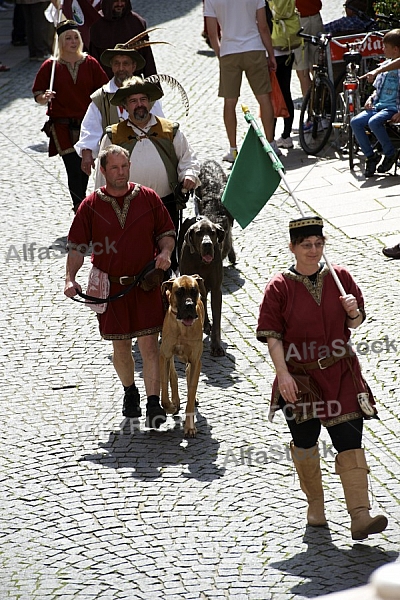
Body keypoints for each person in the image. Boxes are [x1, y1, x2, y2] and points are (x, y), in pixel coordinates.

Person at [256, 215, 388, 541]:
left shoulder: (340, 277)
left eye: (318, 244)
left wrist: (353, 310)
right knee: (305, 444)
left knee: (349, 441)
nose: (313, 251)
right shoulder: (279, 287)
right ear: (292, 247)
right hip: (299, 379)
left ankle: (360, 515)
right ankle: (315, 505)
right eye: (306, 245)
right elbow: (272, 337)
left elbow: (355, 323)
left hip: (342, 373)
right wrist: (282, 375)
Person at [64, 145, 176, 428]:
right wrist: (70, 277)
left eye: (124, 166)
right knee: (121, 347)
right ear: (103, 171)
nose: (121, 172)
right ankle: (130, 392)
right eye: (114, 168)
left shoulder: (148, 198)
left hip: (146, 285)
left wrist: (164, 253)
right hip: (112, 290)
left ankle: (153, 404)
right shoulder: (90, 205)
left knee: (149, 345)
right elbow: (77, 246)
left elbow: (166, 233)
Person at [97, 76, 200, 271]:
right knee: (136, 257)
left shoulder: (169, 130)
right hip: (127, 207)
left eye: (143, 99)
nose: (139, 105)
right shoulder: (114, 135)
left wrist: (188, 175)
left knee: (167, 256)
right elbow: (102, 175)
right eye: (133, 101)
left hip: (166, 204)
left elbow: (188, 158)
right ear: (125, 106)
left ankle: (166, 295)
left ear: (150, 102)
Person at [32, 20, 108, 212]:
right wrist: (45, 97)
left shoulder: (90, 63)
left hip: (87, 126)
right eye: (68, 38)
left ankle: (81, 205)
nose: (73, 42)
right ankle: (80, 208)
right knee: (73, 169)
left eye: (76, 37)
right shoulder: (51, 66)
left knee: (85, 169)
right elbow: (38, 96)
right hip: (62, 126)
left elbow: (104, 91)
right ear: (60, 42)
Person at [204, 0, 277, 163]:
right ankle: (271, 144)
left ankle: (233, 149)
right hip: (254, 48)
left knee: (229, 102)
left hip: (229, 51)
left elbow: (211, 33)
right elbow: (263, 27)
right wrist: (271, 54)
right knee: (264, 98)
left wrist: (220, 54)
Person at [74, 43, 147, 177]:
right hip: (112, 164)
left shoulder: (147, 96)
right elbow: (90, 127)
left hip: (143, 160)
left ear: (133, 66)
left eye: (125, 64)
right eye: (116, 64)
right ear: (112, 67)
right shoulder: (101, 97)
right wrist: (87, 152)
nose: (121, 68)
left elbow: (160, 126)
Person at [350, 29, 400, 178]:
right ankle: (371, 156)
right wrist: (370, 98)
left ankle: (390, 153)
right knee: (355, 122)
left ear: (395, 49)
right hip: (378, 105)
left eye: (385, 47)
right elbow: (377, 90)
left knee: (374, 122)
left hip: (393, 107)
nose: (383, 50)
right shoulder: (385, 66)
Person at [89, 0, 158, 80]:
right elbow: (93, 64)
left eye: (123, 1)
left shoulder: (136, 22)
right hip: (107, 85)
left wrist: (154, 88)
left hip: (134, 84)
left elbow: (148, 61)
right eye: (115, 1)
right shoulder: (96, 25)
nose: (120, 4)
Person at [266, 0, 295, 151]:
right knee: (285, 92)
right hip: (288, 49)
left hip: (272, 54)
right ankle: (286, 135)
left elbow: (263, 27)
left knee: (271, 97)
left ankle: (270, 139)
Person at [293, 0, 323, 97]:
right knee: (317, 65)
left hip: (298, 19)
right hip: (315, 16)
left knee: (303, 70)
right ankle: (320, 101)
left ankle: (310, 104)